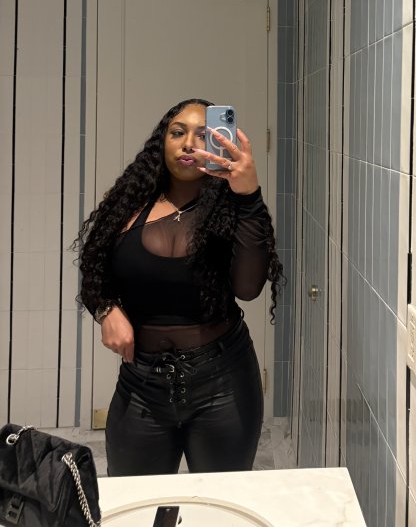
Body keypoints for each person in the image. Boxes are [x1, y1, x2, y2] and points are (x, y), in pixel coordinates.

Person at [75, 97, 283, 476]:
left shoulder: (233, 208)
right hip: (142, 385)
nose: (189, 143)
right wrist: (105, 310)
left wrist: (249, 195)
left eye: (203, 135)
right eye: (178, 132)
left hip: (224, 382)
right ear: (162, 142)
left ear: (219, 143)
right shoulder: (129, 202)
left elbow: (248, 287)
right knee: (137, 499)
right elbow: (94, 269)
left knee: (219, 500)